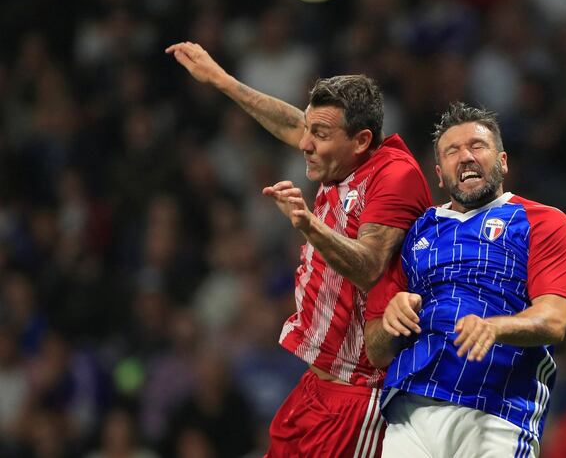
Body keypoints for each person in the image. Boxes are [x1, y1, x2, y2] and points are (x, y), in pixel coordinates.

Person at [166, 41, 432, 458]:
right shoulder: (338, 156)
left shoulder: (394, 177)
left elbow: (370, 266)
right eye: (310, 129)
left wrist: (309, 225)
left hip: (357, 396)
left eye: (319, 134)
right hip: (316, 389)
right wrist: (224, 82)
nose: (305, 143)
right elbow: (294, 125)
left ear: (361, 140)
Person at [364, 102, 566, 458]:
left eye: (477, 146)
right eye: (452, 151)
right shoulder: (415, 232)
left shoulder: (542, 221)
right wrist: (392, 318)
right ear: (439, 173)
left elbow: (554, 320)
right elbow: (376, 349)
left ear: (503, 161)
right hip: (410, 412)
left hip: (497, 410)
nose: (465, 157)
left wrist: (495, 328)